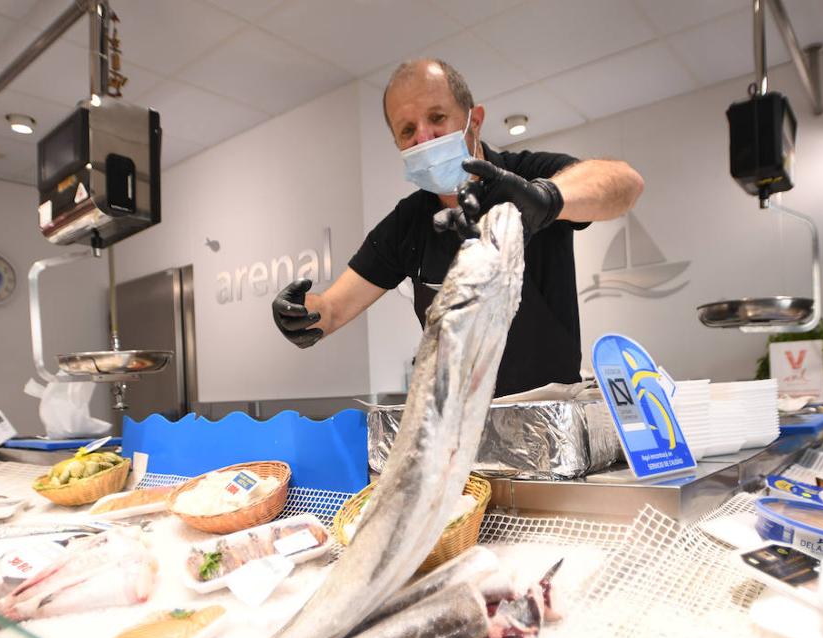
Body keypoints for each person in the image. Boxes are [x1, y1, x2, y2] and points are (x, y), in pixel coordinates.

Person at [272, 58, 644, 397]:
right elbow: (333, 308)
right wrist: (302, 315)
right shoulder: (406, 225)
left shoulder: (527, 176)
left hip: (550, 411)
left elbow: (625, 181)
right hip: (457, 429)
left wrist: (547, 199)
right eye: (407, 130)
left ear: (474, 119)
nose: (424, 138)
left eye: (436, 118)